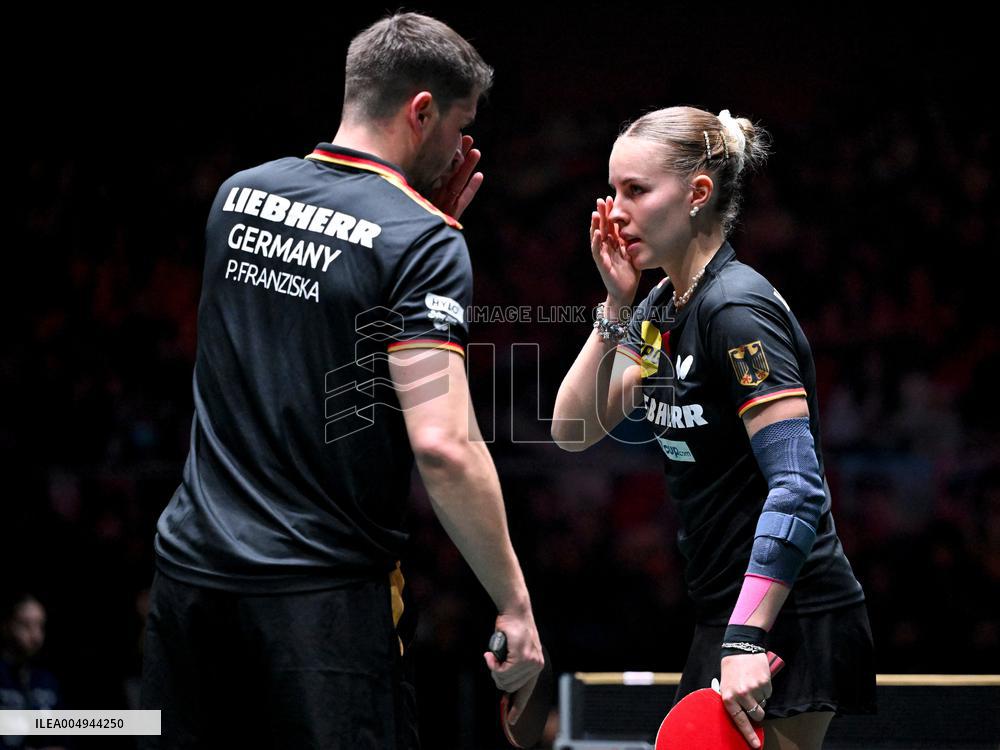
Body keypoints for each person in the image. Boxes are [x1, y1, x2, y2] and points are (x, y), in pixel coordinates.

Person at [140, 12, 543, 749]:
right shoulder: (421, 242)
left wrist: (410, 235)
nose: (461, 148)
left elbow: (314, 328)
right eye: (459, 126)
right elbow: (445, 446)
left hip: (190, 585)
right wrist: (514, 605)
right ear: (422, 111)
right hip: (319, 609)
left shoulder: (237, 196)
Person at [551, 106, 875, 750]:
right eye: (612, 191)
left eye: (635, 191)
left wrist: (748, 636)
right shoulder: (661, 310)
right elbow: (575, 427)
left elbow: (799, 488)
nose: (615, 211)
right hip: (727, 610)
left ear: (698, 194)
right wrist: (615, 306)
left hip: (785, 610)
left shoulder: (736, 310)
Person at [0, 593, 68, 750]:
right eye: (25, 625)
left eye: (39, 625)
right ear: (6, 625)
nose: (35, 635)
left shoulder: (48, 681)